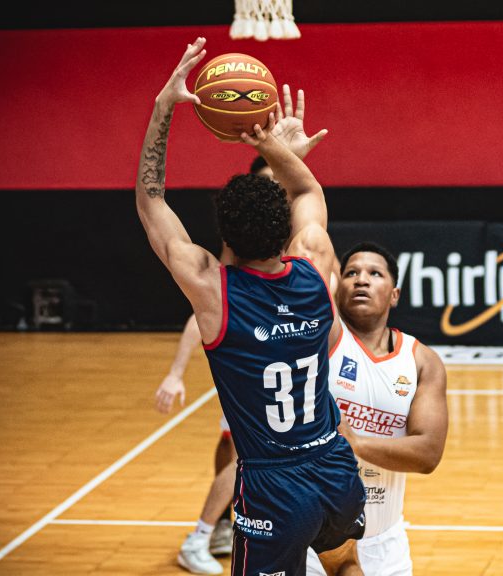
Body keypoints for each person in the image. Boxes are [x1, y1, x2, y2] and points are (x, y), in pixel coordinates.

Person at [136, 37, 365, 575]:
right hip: (333, 462)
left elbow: (150, 198)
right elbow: (307, 192)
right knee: (345, 565)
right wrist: (274, 147)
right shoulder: (315, 266)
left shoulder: (214, 292)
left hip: (273, 484)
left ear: (225, 238)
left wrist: (163, 106)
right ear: (285, 229)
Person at [156, 128, 325, 574]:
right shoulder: (248, 272)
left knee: (236, 455)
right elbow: (202, 314)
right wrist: (176, 370)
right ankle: (201, 535)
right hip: (254, 374)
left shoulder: (288, 264)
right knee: (237, 458)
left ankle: (216, 529)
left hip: (280, 373)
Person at [306, 242, 449, 576]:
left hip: (385, 545)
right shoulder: (322, 336)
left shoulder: (421, 361)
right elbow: (312, 246)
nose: (361, 280)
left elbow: (428, 454)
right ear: (337, 286)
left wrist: (356, 443)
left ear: (394, 294)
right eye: (351, 273)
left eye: (375, 274)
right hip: (312, 543)